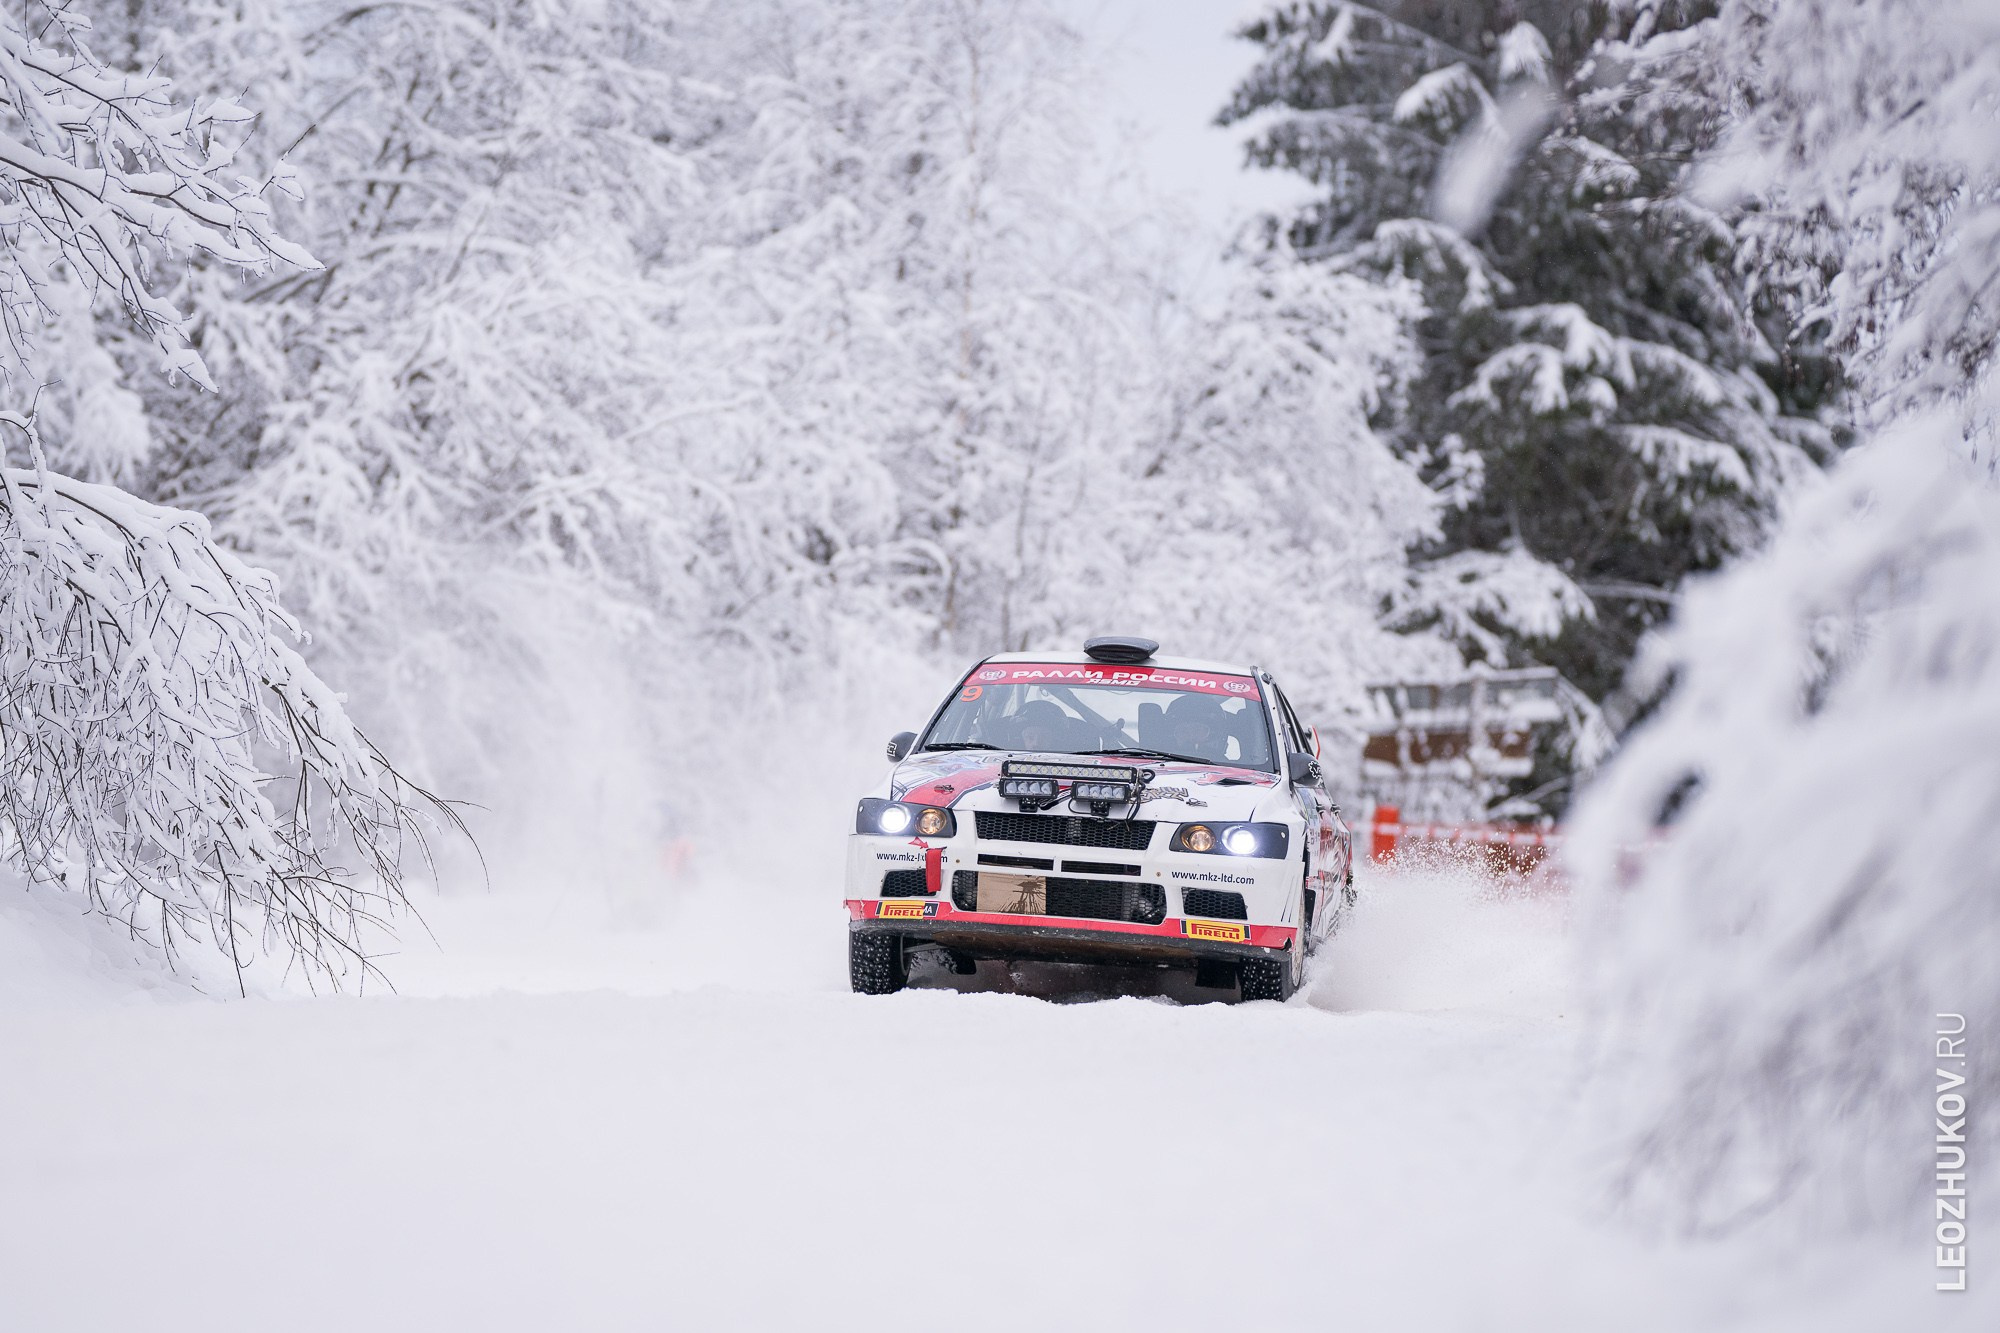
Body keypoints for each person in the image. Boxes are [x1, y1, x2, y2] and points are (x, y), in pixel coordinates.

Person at [1161, 693, 1233, 764]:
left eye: (1197, 730)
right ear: (1173, 736)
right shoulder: (1157, 764)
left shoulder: (1231, 771)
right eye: (1183, 731)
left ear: (1212, 735)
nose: (1191, 736)